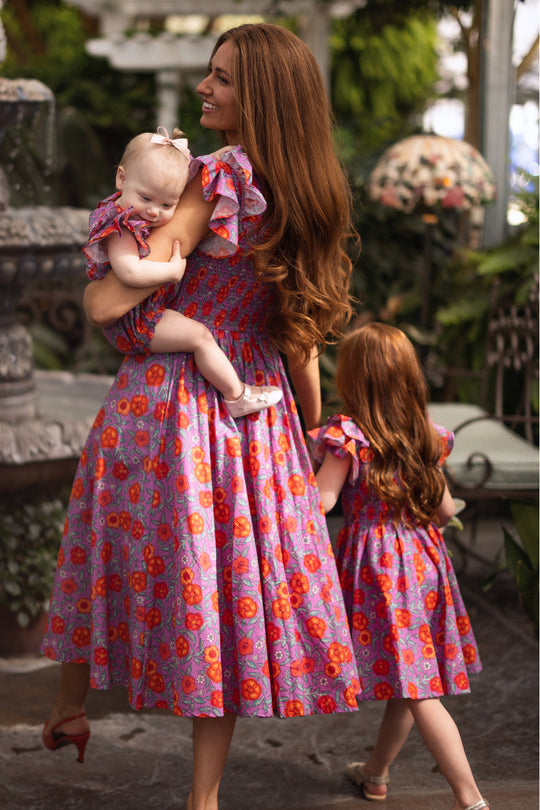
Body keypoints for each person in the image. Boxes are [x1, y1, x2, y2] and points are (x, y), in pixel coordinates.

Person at [40, 23, 361, 810]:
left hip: (174, 400)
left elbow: (116, 299)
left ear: (260, 95)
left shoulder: (217, 175)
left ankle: (69, 707)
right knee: (224, 595)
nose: (203, 88)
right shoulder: (312, 191)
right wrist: (306, 428)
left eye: (220, 77)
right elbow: (301, 342)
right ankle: (203, 797)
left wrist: (105, 289)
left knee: (110, 549)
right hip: (256, 407)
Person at [308, 323, 488, 810]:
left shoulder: (350, 436)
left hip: (379, 569)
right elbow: (445, 510)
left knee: (419, 688)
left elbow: (322, 501)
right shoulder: (426, 435)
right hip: (425, 562)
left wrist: (286, 482)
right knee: (412, 677)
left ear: (352, 378)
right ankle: (376, 773)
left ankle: (471, 799)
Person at [83, 126, 281, 418]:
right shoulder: (120, 226)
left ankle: (237, 393)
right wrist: (171, 272)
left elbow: (184, 182)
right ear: (121, 178)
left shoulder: (137, 210)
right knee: (200, 337)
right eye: (146, 198)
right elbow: (129, 271)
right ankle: (237, 396)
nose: (154, 211)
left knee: (200, 336)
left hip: (143, 312)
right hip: (136, 321)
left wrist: (214, 159)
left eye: (167, 204)